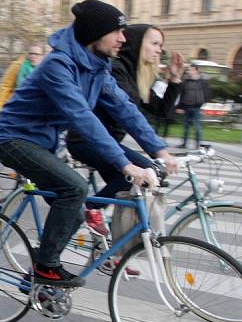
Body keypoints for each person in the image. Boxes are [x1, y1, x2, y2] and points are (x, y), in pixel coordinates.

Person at [0, 0, 176, 287]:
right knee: (75, 188)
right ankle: (46, 268)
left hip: (44, 144)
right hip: (15, 139)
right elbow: (82, 118)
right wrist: (126, 164)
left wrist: (160, 150)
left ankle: (39, 277)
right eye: (117, 32)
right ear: (95, 33)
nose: (123, 38)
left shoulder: (97, 68)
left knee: (76, 211)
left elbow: (125, 109)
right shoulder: (58, 65)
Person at [67, 23, 182, 235]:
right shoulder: (116, 71)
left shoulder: (137, 76)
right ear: (137, 44)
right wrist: (160, 152)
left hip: (109, 144)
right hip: (87, 141)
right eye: (155, 43)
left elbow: (161, 111)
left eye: (161, 46)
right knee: (142, 172)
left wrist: (174, 79)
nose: (160, 50)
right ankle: (87, 211)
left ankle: (113, 255)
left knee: (133, 192)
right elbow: (128, 115)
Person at [0, 44, 45, 117]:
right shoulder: (18, 66)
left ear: (42, 56)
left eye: (36, 54)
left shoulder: (46, 69)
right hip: (16, 109)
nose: (33, 56)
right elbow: (5, 87)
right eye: (31, 53)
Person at [178, 64, 210, 149]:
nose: (189, 71)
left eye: (191, 70)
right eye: (188, 70)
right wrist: (180, 107)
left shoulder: (202, 82)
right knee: (186, 127)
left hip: (197, 107)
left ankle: (198, 144)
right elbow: (182, 94)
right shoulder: (185, 82)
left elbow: (207, 93)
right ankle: (184, 144)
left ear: (196, 70)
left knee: (197, 127)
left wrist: (203, 102)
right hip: (186, 107)